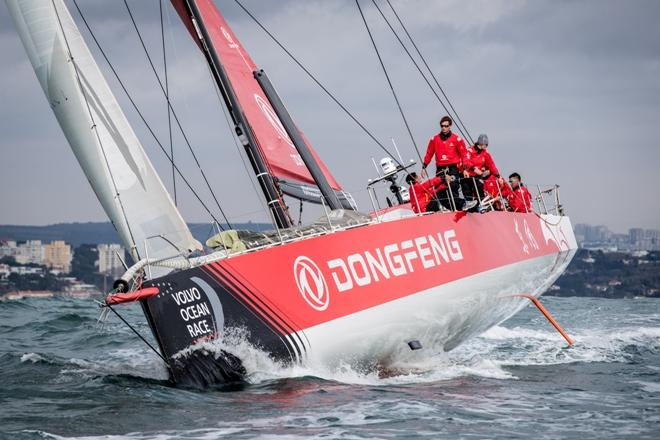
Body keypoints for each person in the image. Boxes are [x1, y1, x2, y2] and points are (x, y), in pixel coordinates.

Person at [422, 116, 469, 210]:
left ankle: (462, 205)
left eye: (446, 126)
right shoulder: (434, 139)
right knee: (440, 192)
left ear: (450, 126)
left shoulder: (457, 139)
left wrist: (465, 169)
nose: (444, 128)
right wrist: (424, 167)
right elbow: (429, 153)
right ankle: (453, 209)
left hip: (452, 168)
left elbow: (464, 154)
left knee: (453, 187)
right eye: (442, 126)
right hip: (440, 169)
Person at [462, 133, 500, 209]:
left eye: (486, 145)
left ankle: (480, 205)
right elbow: (465, 161)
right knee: (467, 191)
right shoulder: (470, 150)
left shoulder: (485, 153)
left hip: (477, 176)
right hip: (468, 175)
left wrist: (497, 175)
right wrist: (474, 168)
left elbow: (491, 164)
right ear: (480, 143)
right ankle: (469, 206)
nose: (485, 146)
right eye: (484, 144)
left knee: (479, 188)